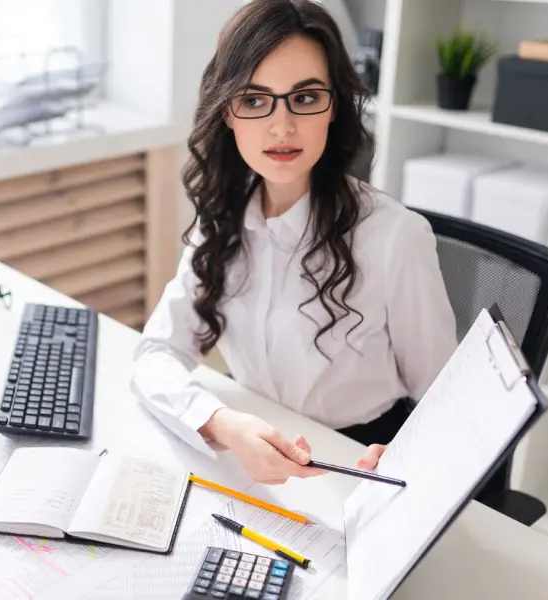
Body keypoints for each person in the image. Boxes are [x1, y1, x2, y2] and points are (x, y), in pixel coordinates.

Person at [130, 0, 458, 484]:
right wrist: (223, 423)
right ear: (227, 112)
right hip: (254, 448)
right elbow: (155, 356)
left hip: (355, 464)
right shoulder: (221, 217)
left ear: (334, 109)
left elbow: (448, 400)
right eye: (255, 99)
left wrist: (409, 455)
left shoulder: (394, 237)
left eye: (304, 99)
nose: (281, 126)